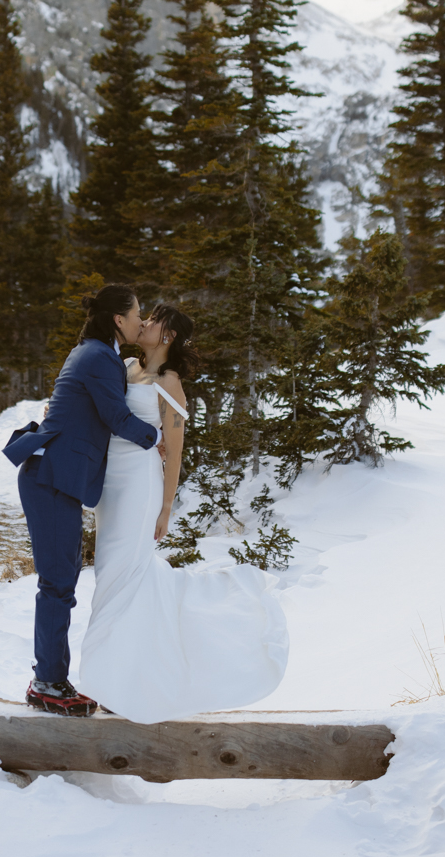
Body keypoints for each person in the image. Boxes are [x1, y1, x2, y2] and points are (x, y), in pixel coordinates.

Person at [74, 300, 288, 722]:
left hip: (140, 485)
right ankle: (119, 676)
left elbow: (174, 453)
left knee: (122, 577)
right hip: (111, 484)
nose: (145, 323)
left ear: (167, 336)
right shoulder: (128, 366)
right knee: (111, 576)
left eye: (153, 321)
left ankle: (109, 681)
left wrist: (165, 507)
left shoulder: (170, 384)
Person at [2, 284, 160, 716]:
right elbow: (116, 418)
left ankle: (52, 679)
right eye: (136, 314)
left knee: (62, 581)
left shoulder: (99, 353)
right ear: (117, 320)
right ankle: (48, 683)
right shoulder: (97, 357)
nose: (141, 320)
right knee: (57, 584)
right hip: (50, 475)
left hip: (59, 477)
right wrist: (158, 437)